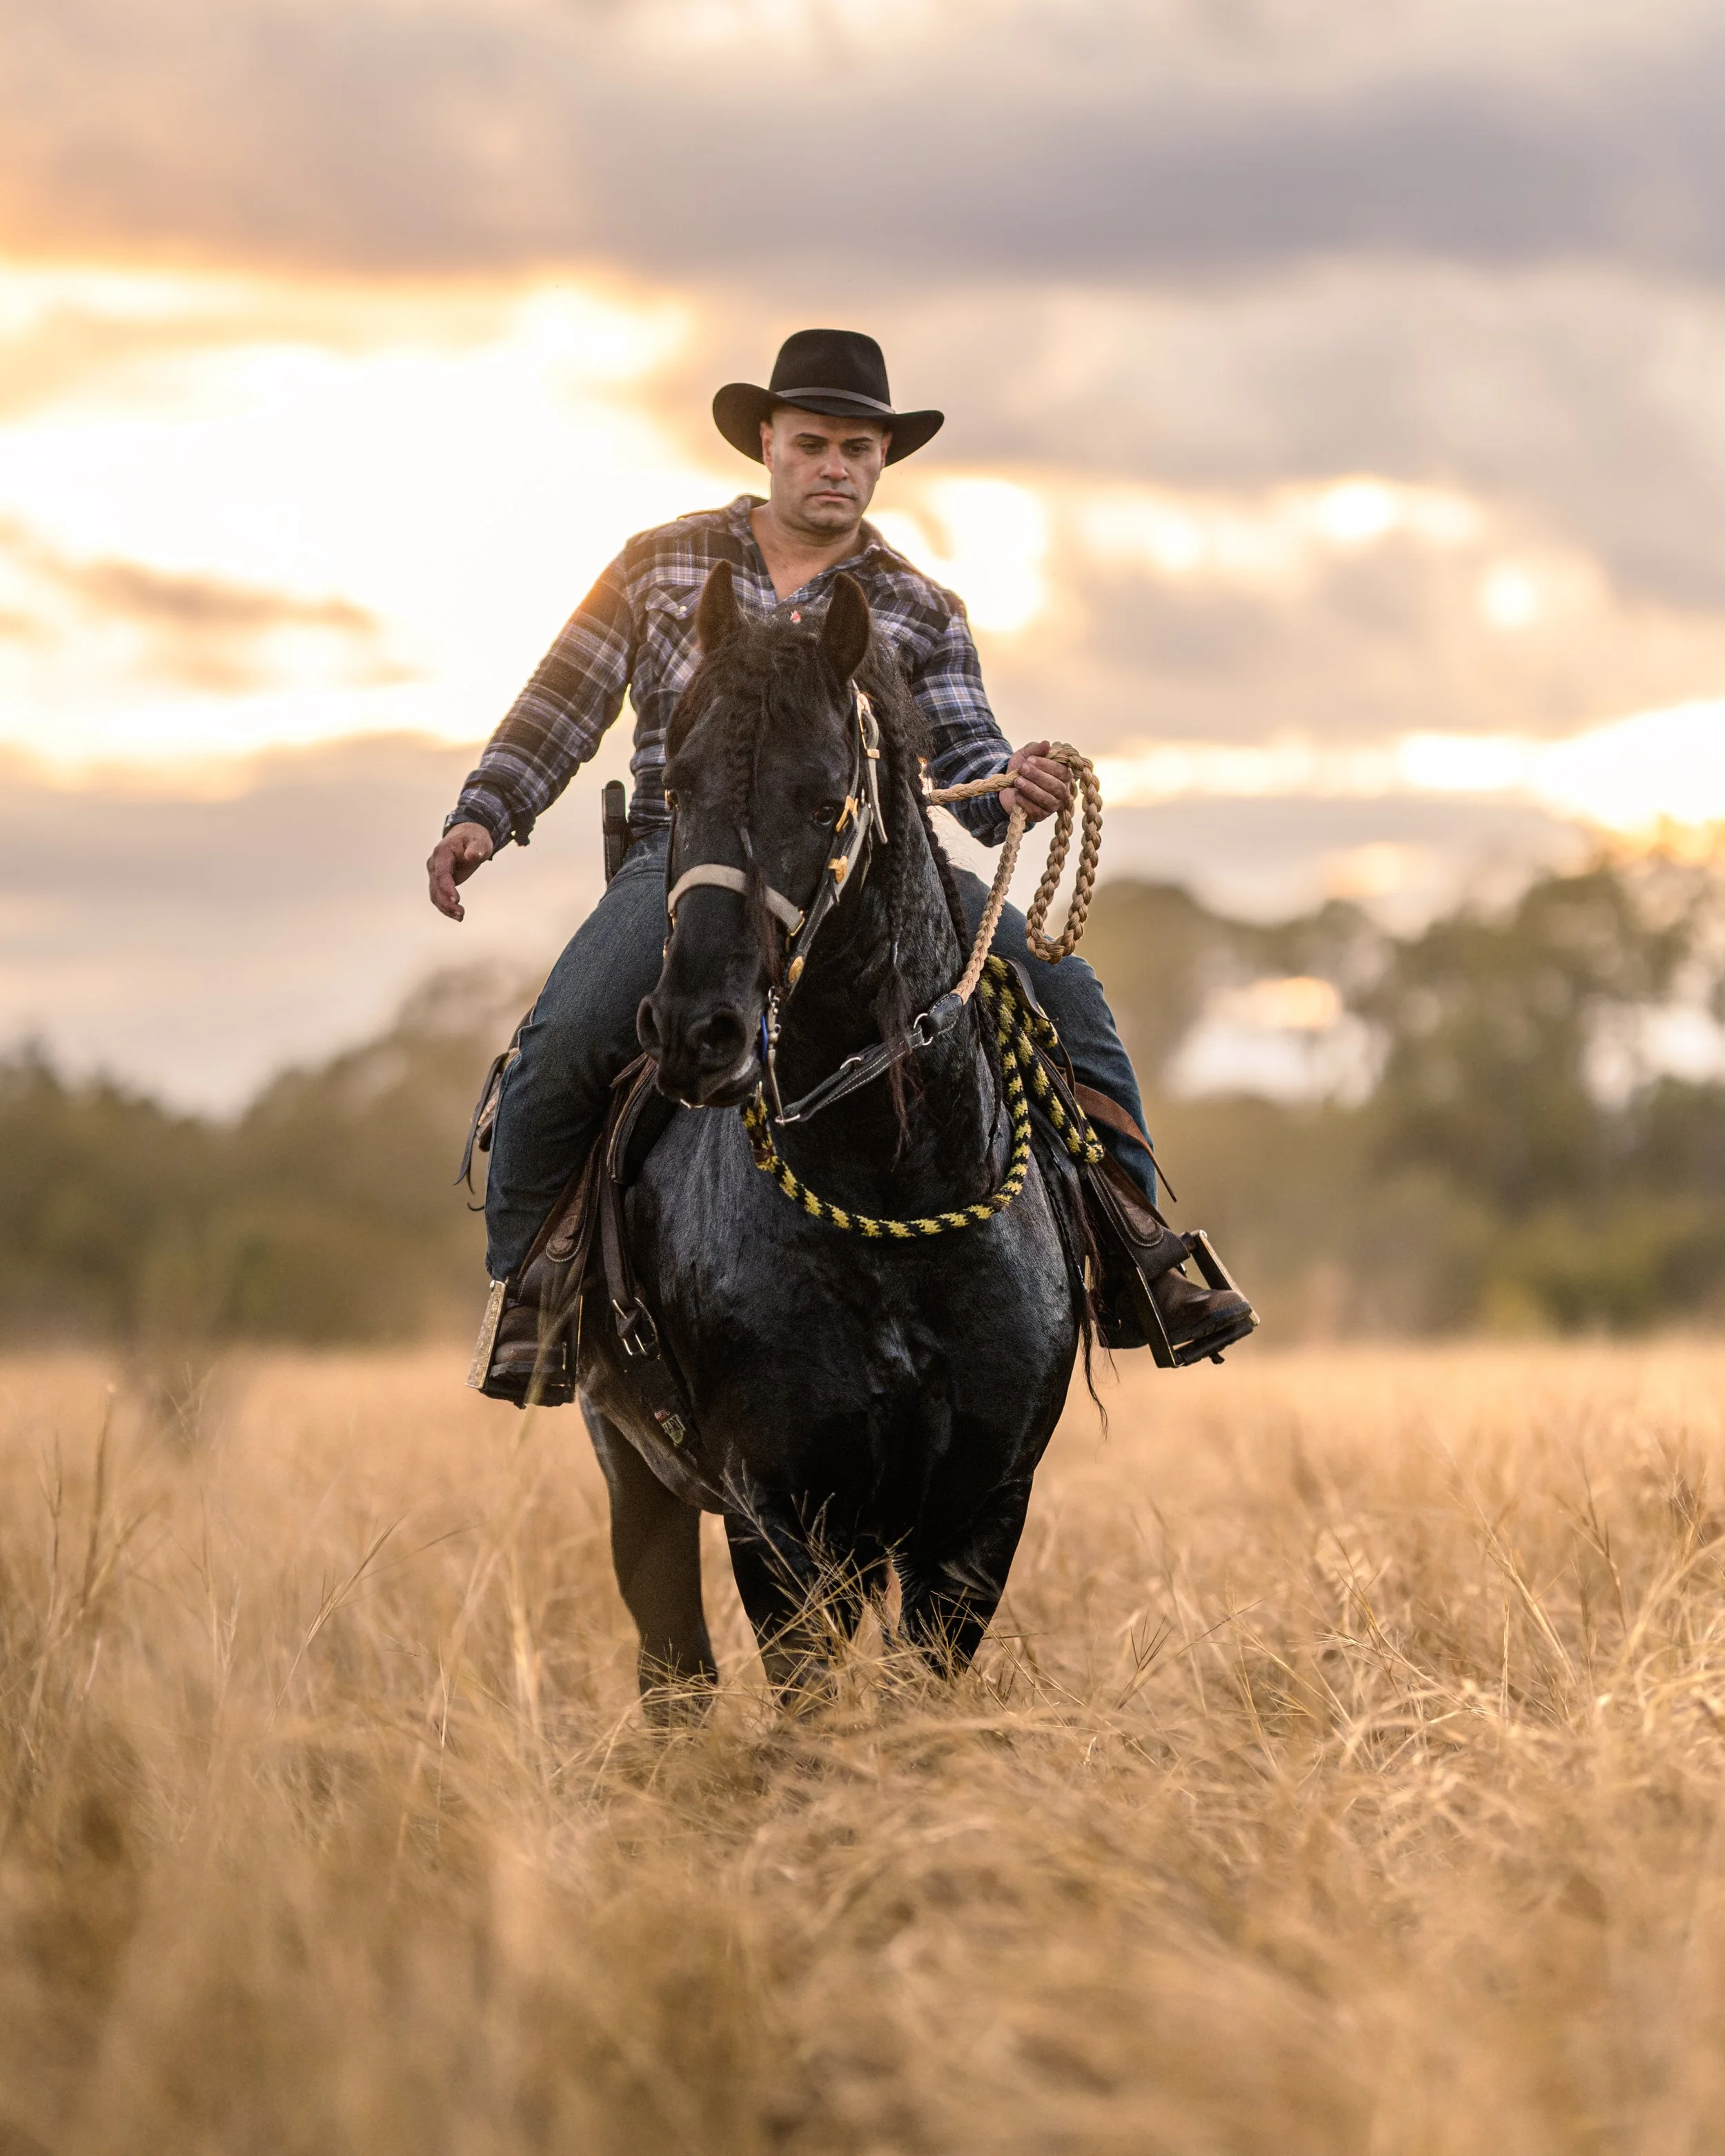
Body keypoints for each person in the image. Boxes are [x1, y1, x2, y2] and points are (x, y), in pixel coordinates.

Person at [427, 328, 1252, 1374]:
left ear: (880, 461)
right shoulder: (658, 564)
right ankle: (536, 1297)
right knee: (564, 1042)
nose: (835, 467)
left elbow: (972, 765)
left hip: (872, 876)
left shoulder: (915, 606)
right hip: (691, 862)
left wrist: (1020, 783)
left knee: (1070, 994)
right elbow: (563, 700)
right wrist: (485, 813)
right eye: (812, 442)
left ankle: (1144, 1255)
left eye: (858, 450)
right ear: (766, 442)